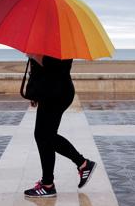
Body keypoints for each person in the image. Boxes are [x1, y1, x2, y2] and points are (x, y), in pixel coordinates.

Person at [23, 54, 96, 198]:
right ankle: (49, 183)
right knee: (44, 136)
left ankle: (79, 165)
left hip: (56, 92)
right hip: (50, 91)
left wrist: (34, 55)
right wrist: (34, 93)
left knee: (45, 135)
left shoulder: (59, 39)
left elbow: (54, 67)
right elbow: (41, 70)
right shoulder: (49, 38)